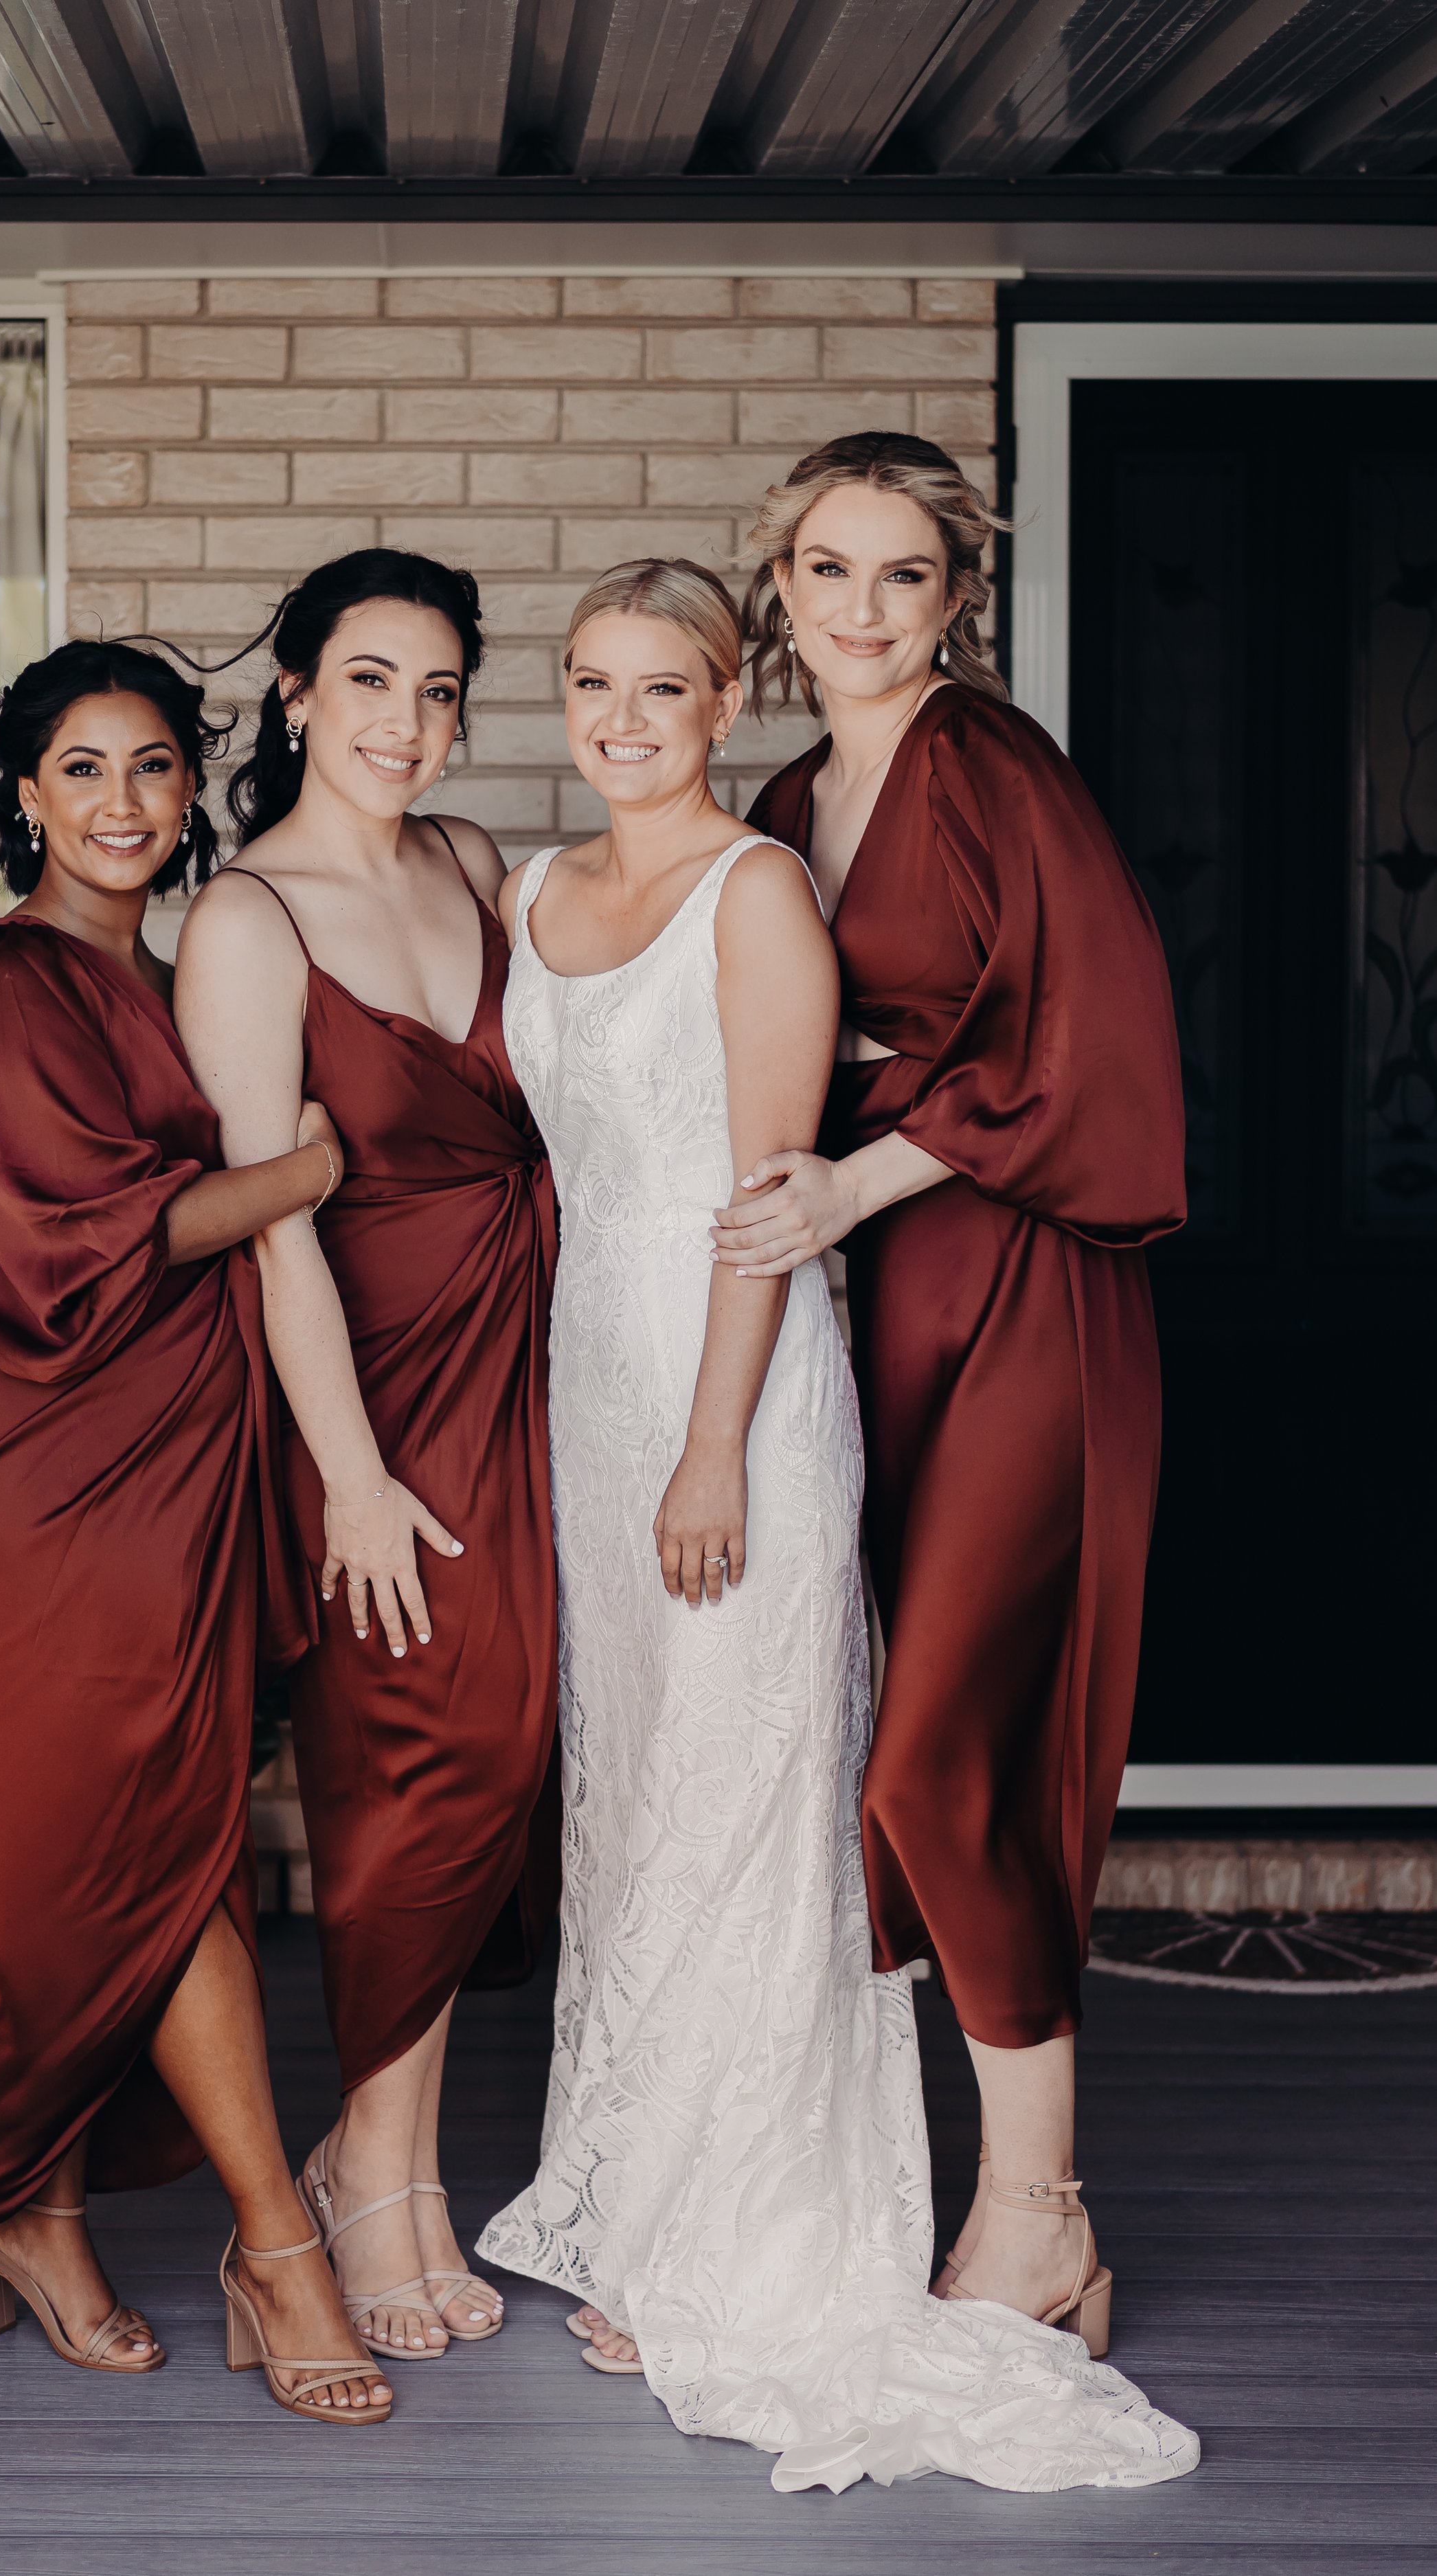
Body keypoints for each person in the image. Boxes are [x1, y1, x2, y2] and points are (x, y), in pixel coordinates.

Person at [475, 557, 1196, 2494]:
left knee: (846, 1763)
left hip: (869, 1332)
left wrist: (719, 1429)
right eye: (591, 685)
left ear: (729, 693)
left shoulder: (898, 805)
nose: (626, 719)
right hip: (611, 1379)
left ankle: (935, 2215)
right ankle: (652, 2188)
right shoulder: (754, 819)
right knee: (649, 1788)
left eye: (664, 686)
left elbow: (850, 1119)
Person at [723, 430, 1186, 2334]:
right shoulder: (785, 787)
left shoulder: (988, 764)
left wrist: (850, 1178)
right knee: (894, 1743)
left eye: (897, 575)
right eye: (825, 570)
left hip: (1020, 1287)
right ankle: (1019, 2198)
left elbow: (1088, 1032)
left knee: (938, 1750)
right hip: (881, 1313)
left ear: (956, 598)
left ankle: (1037, 2209)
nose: (856, 608)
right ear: (777, 588)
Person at [0, 638, 392, 2424]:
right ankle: (274, 2239)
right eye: (83, 770)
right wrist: (298, 1176)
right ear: (22, 794)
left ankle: (38, 2211)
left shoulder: (169, 980)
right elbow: (52, 1255)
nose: (123, 803)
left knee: (176, 1843)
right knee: (96, 1855)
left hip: (170, 1479)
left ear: (194, 795)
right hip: (33, 1489)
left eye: (155, 770)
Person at [174, 552, 558, 2362]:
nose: (410, 722)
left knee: (517, 1741)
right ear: (302, 696)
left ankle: (365, 2156)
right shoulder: (247, 917)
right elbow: (274, 1226)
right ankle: (379, 2183)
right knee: (421, 1748)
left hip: (535, 1356)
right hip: (375, 1385)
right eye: (373, 682)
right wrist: (346, 1471)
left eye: (440, 689)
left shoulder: (472, 861)